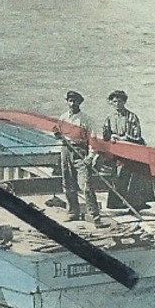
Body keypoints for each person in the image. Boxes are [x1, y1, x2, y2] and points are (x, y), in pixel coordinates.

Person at [102, 89, 155, 212]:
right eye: (114, 102)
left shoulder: (131, 116)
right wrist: (111, 137)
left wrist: (121, 138)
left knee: (134, 177)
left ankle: (136, 203)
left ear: (124, 102)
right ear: (111, 103)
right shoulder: (110, 118)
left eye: (120, 101)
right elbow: (106, 135)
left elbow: (136, 136)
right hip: (119, 151)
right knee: (118, 175)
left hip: (134, 150)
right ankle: (118, 203)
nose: (117, 104)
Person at [56, 90, 101, 222]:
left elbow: (93, 140)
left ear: (79, 103)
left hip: (80, 152)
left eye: (75, 101)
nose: (72, 103)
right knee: (68, 184)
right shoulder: (63, 118)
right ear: (67, 102)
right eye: (70, 101)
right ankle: (73, 212)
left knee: (85, 185)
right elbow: (58, 133)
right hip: (65, 151)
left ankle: (93, 214)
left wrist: (90, 157)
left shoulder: (86, 120)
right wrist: (59, 137)